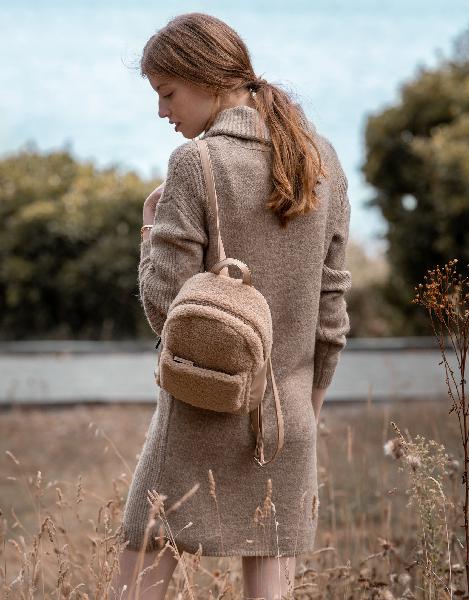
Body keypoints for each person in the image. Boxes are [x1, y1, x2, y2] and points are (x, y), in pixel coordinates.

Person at [109, 11, 351, 600]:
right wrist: (306, 410)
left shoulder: (197, 164)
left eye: (167, 93)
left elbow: (168, 311)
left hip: (199, 414)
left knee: (135, 584)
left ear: (207, 79)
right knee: (269, 585)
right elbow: (331, 315)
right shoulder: (323, 161)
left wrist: (150, 229)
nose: (162, 112)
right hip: (286, 420)